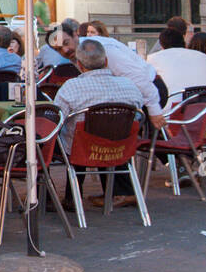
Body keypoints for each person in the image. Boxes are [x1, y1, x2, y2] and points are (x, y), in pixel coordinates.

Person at [52, 39, 150, 209]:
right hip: (120, 148)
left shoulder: (71, 87)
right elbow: (139, 114)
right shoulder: (129, 86)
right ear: (105, 62)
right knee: (105, 132)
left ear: (80, 65)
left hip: (82, 150)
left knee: (69, 136)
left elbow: (56, 119)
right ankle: (119, 191)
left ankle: (69, 197)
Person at [51, 29, 163, 121]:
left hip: (150, 89)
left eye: (66, 43)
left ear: (75, 36)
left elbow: (138, 78)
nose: (64, 50)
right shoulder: (76, 53)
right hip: (129, 97)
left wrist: (154, 110)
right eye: (58, 49)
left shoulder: (103, 49)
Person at [146, 28, 206, 100]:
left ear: (161, 45)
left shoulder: (153, 58)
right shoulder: (203, 57)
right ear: (183, 40)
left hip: (172, 107)